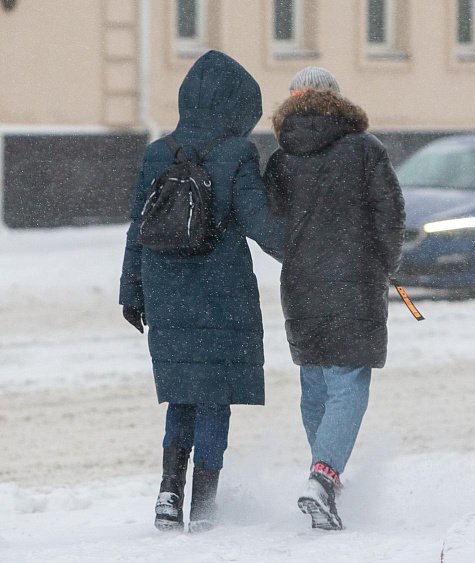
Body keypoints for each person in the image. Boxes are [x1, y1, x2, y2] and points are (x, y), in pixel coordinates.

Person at [119, 50, 285, 533]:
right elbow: (260, 224)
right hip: (222, 293)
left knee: (182, 395)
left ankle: (168, 494)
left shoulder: (157, 152)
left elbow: (137, 226)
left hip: (167, 293)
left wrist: (132, 290)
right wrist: (306, 254)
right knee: (215, 397)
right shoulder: (237, 154)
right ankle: (205, 508)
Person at [264, 67, 405, 531]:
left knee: (316, 385)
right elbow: (390, 210)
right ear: (336, 101)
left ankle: (323, 476)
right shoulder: (365, 150)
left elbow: (269, 224)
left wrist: (297, 255)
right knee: (347, 383)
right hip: (355, 281)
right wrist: (383, 262)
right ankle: (323, 478)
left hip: (302, 285)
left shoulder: (282, 158)